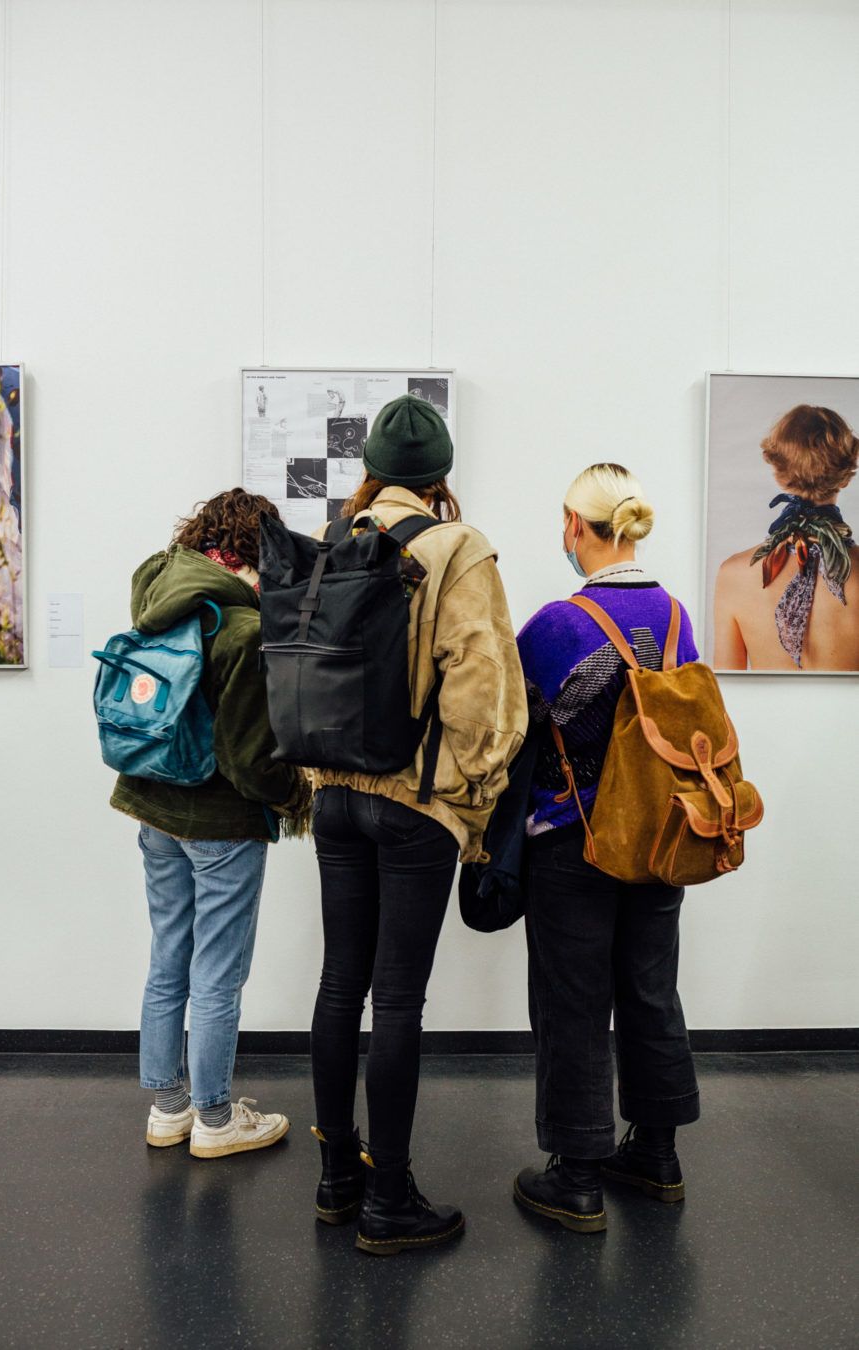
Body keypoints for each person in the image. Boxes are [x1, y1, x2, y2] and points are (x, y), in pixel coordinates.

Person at [308, 395, 527, 1255]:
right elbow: (483, 688)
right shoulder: (455, 546)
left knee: (339, 985)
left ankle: (337, 1181)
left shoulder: (334, 540)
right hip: (413, 805)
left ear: (371, 468)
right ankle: (390, 1200)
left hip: (332, 795)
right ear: (440, 473)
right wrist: (469, 796)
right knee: (398, 997)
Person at [513, 463, 700, 1233]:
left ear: (574, 526)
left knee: (574, 1000)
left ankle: (579, 1176)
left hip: (576, 841)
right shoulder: (679, 615)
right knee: (650, 990)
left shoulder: (558, 624)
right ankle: (655, 1156)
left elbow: (515, 725)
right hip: (661, 837)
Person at [110, 488, 310, 1159]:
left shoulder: (161, 600)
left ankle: (169, 1108)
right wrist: (295, 797)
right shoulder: (242, 629)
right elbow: (251, 759)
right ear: (257, 552)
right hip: (222, 822)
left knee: (169, 957)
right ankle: (218, 1121)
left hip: (152, 808)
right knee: (217, 974)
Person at [713, 404, 859, 671]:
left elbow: (727, 691)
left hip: (765, 715)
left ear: (778, 475)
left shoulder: (732, 574)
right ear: (845, 477)